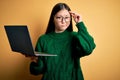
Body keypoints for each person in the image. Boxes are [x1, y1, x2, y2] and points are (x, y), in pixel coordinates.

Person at [29, 3, 96, 80]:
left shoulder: (75, 37)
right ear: (53, 19)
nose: (63, 21)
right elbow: (37, 71)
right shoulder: (43, 39)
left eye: (67, 17)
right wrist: (35, 61)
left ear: (70, 19)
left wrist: (80, 23)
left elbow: (88, 49)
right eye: (59, 17)